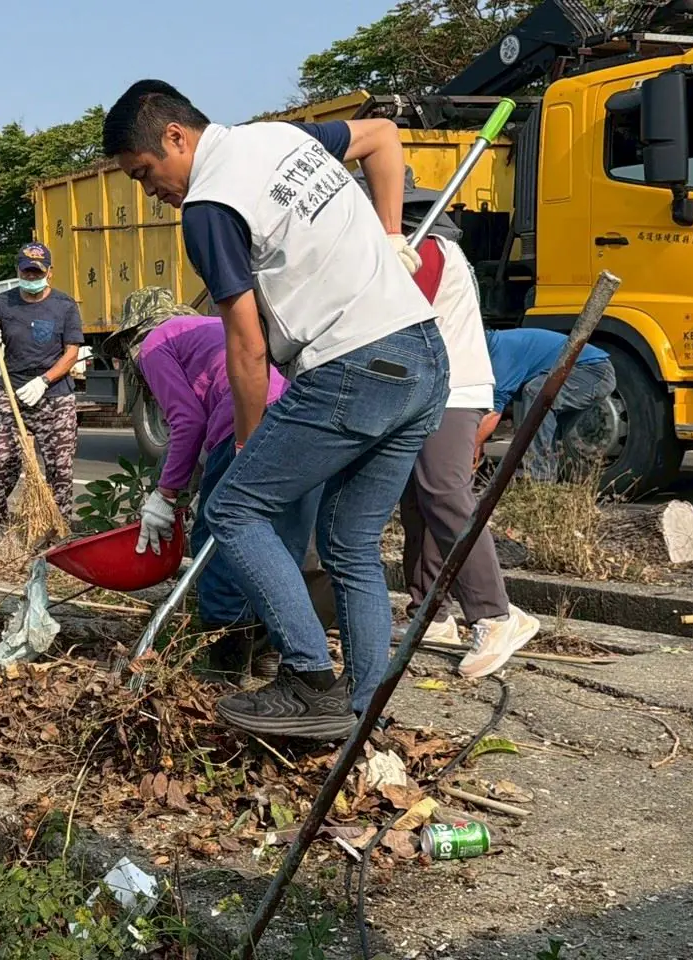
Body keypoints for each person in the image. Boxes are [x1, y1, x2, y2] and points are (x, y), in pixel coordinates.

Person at [103, 80, 449, 739]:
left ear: (175, 136)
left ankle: (307, 679)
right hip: (422, 356)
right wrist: (390, 234)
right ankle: (363, 709)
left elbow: (246, 345)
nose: (151, 192)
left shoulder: (209, 205)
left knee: (234, 508)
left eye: (145, 174)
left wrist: (247, 445)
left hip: (350, 365)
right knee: (350, 543)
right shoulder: (280, 139)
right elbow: (382, 138)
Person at [372, 176, 541, 678]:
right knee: (418, 502)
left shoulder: (424, 246)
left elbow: (393, 322)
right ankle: (431, 612)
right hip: (424, 387)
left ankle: (495, 614)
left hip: (451, 387)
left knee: (443, 491)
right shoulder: (417, 244)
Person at [116, 287, 324, 680]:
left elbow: (187, 422)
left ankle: (225, 670)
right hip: (301, 423)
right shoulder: (208, 328)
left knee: (219, 542)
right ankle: (270, 655)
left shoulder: (154, 343)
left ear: (134, 335)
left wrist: (165, 495)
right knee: (281, 548)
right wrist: (189, 487)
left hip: (246, 424)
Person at [0, 243, 84, 531]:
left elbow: (72, 353)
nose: (31, 277)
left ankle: (58, 530)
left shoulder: (65, 306)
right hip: (13, 393)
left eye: (37, 272)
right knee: (0, 462)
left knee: (60, 467)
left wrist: (44, 380)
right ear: (18, 271)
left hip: (55, 396)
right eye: (26, 272)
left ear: (49, 273)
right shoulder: (2, 304)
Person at [479, 329, 616, 483]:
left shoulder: (501, 354)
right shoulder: (490, 347)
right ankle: (549, 487)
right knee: (552, 434)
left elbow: (493, 414)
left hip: (593, 372)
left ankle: (539, 479)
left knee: (536, 393)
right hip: (580, 371)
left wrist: (469, 449)